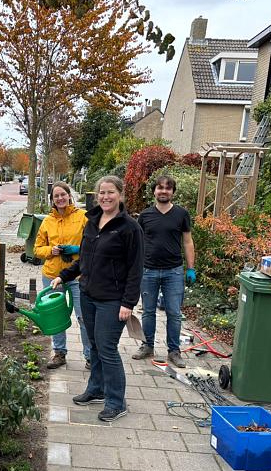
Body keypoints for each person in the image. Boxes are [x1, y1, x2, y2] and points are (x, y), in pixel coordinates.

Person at [51, 175, 143, 422]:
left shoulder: (130, 228)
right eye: (102, 192)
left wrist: (128, 303)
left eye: (110, 192)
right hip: (88, 295)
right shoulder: (92, 222)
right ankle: (96, 389)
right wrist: (64, 275)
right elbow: (84, 259)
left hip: (113, 300)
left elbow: (136, 269)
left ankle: (116, 401)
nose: (105, 197)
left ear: (120, 195)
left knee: (107, 348)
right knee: (94, 346)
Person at [132, 174, 196, 368]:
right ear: (154, 191)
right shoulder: (145, 216)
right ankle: (147, 345)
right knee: (148, 311)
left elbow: (188, 241)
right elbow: (136, 244)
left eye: (168, 188)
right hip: (148, 270)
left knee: (174, 313)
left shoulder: (181, 214)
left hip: (173, 271)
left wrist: (191, 268)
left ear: (172, 192)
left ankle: (174, 351)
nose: (163, 191)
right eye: (160, 188)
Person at [34, 182, 90, 369]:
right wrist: (51, 250)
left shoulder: (83, 217)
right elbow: (37, 249)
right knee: (55, 316)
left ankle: (90, 355)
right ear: (52, 200)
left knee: (83, 316)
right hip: (52, 275)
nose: (60, 198)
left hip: (78, 275)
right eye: (56, 196)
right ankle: (59, 353)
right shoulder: (47, 221)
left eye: (63, 194)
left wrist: (77, 249)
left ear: (69, 195)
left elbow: (94, 244)